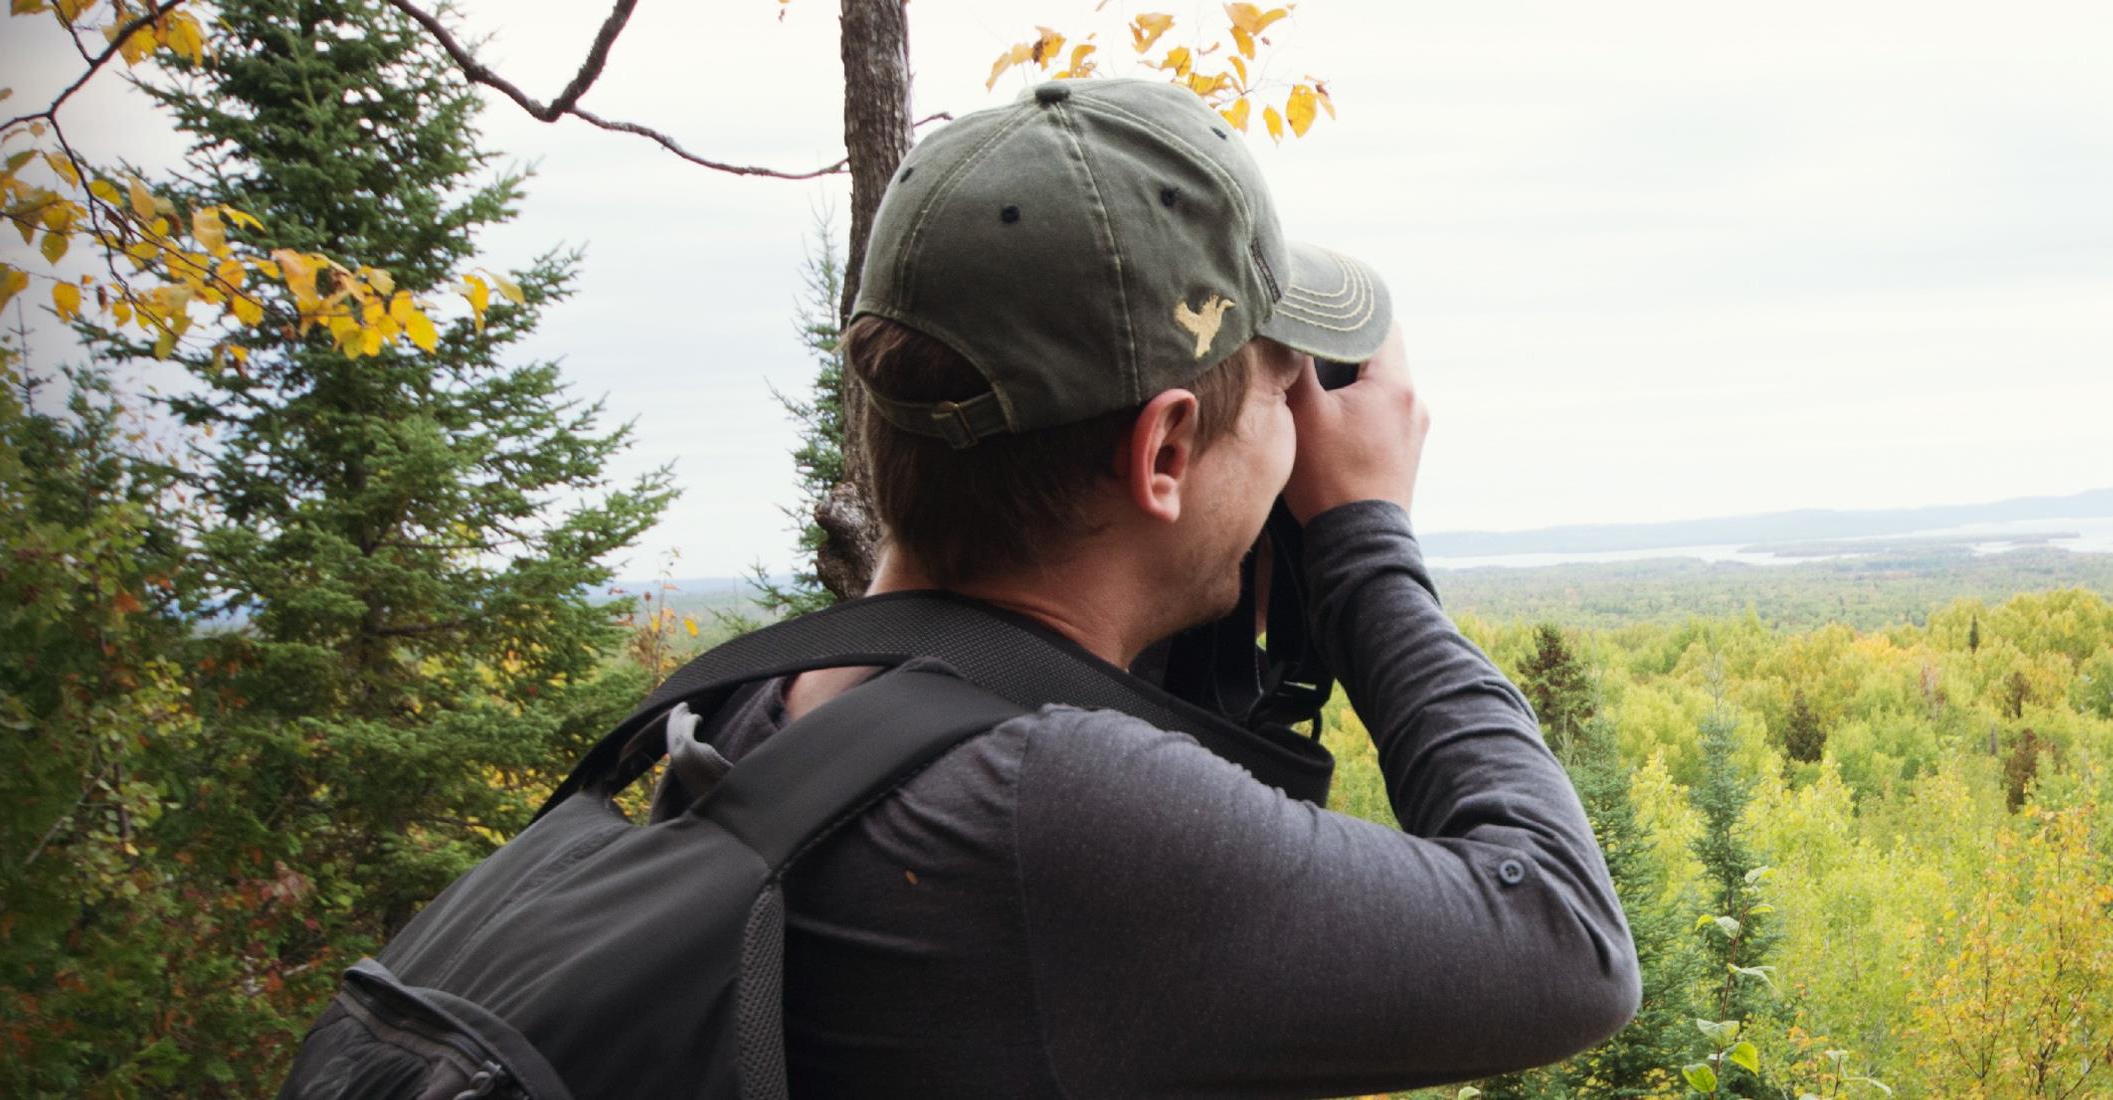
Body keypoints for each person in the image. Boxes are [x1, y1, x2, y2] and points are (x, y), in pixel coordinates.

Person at [651, 78, 1639, 1095]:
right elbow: (1566, 940)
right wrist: (1362, 544)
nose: (1301, 433)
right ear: (1165, 449)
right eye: (1278, 385)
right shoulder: (1053, 811)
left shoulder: (751, 714)